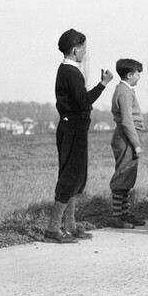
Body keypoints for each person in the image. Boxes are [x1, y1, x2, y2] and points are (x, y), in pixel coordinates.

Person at [44, 29, 114, 244]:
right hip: (72, 128)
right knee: (70, 177)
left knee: (76, 176)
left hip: (74, 128)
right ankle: (53, 229)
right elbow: (84, 101)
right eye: (83, 48)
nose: (85, 52)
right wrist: (102, 84)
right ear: (76, 50)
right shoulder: (71, 72)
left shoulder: (69, 70)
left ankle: (70, 226)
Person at [109, 58, 147, 229]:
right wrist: (136, 144)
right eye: (137, 73)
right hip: (125, 138)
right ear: (130, 74)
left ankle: (124, 214)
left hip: (127, 137)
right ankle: (117, 218)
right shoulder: (124, 92)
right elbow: (126, 121)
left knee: (127, 177)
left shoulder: (127, 90)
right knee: (122, 176)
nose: (139, 77)